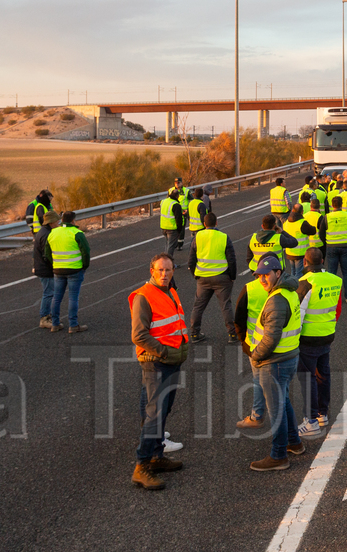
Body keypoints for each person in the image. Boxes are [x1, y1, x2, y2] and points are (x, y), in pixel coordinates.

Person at [129, 253, 188, 490]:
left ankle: (156, 456)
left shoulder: (170, 291)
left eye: (169, 270)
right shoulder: (144, 296)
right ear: (151, 270)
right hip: (157, 363)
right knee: (154, 414)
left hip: (171, 361)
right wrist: (163, 351)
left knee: (163, 410)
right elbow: (139, 335)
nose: (164, 274)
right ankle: (141, 466)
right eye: (160, 270)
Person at [244, 255, 307, 472]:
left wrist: (256, 355)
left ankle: (278, 455)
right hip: (288, 357)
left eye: (266, 275)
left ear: (278, 274)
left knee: (276, 409)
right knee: (284, 402)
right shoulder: (287, 292)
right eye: (259, 275)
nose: (262, 279)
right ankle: (294, 442)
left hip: (275, 362)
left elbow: (271, 337)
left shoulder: (277, 300)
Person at [296, 249, 342, 439]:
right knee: (323, 374)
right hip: (327, 333)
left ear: (305, 262)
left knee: (307, 378)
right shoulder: (335, 280)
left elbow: (299, 313)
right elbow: (337, 309)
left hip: (308, 337)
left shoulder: (304, 283)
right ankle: (323, 413)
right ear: (322, 261)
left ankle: (311, 420)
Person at [188, 212, 239, 343]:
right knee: (226, 306)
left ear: (204, 224)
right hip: (221, 277)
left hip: (203, 278)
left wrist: (196, 274)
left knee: (198, 307)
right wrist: (232, 277)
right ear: (216, 223)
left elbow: (191, 260)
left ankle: (194, 334)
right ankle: (232, 335)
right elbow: (231, 259)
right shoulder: (223, 237)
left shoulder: (198, 237)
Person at [45, 211, 91, 333]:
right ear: (73, 221)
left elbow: (47, 252)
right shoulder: (77, 233)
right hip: (75, 270)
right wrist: (84, 266)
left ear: (61, 220)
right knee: (73, 298)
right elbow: (86, 251)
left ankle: (55, 324)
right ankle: (73, 325)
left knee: (57, 297)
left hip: (58, 270)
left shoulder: (53, 233)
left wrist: (54, 263)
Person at [324, 196, 347, 302]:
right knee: (346, 271)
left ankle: (332, 297)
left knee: (332, 272)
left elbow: (321, 233)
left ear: (332, 205)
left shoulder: (327, 217)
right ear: (342, 204)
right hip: (346, 245)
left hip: (331, 246)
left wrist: (328, 242)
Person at [33, 210, 61, 328]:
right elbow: (46, 255)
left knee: (49, 292)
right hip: (45, 269)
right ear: (51, 222)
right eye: (56, 220)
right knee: (48, 293)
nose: (58, 222)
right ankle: (44, 318)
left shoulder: (44, 231)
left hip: (42, 267)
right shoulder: (46, 234)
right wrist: (54, 267)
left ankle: (47, 316)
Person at [282, 205, 316, 279]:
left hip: (290, 252)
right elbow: (313, 231)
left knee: (293, 272)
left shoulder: (286, 222)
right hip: (300, 252)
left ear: (293, 211)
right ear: (302, 212)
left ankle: (292, 288)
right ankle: (297, 289)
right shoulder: (302, 223)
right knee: (299, 274)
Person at [159, 188, 184, 261]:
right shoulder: (176, 205)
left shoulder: (163, 201)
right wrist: (179, 230)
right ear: (177, 196)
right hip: (172, 228)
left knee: (167, 245)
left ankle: (164, 261)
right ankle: (168, 263)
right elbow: (178, 219)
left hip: (163, 227)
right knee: (171, 247)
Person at [172, 178, 190, 250]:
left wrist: (188, 210)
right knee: (174, 228)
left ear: (182, 183)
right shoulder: (171, 190)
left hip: (183, 213)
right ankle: (174, 243)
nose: (177, 184)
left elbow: (191, 201)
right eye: (175, 182)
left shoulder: (186, 191)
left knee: (182, 229)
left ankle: (180, 245)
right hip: (174, 213)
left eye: (178, 182)